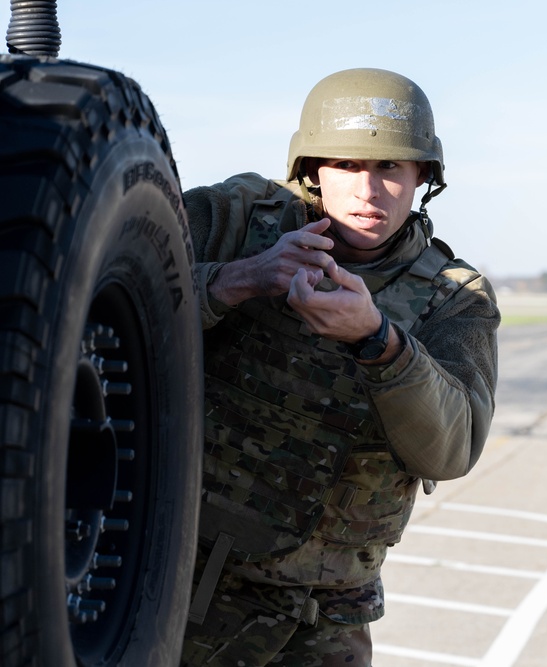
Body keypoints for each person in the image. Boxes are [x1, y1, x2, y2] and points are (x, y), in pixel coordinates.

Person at [180, 68, 500, 666]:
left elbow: (453, 450)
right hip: (187, 585)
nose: (368, 190)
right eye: (347, 166)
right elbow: (99, 292)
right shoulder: (235, 220)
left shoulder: (455, 298)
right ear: (313, 171)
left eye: (390, 169)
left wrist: (380, 342)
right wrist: (236, 280)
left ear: (420, 179)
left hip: (330, 612)